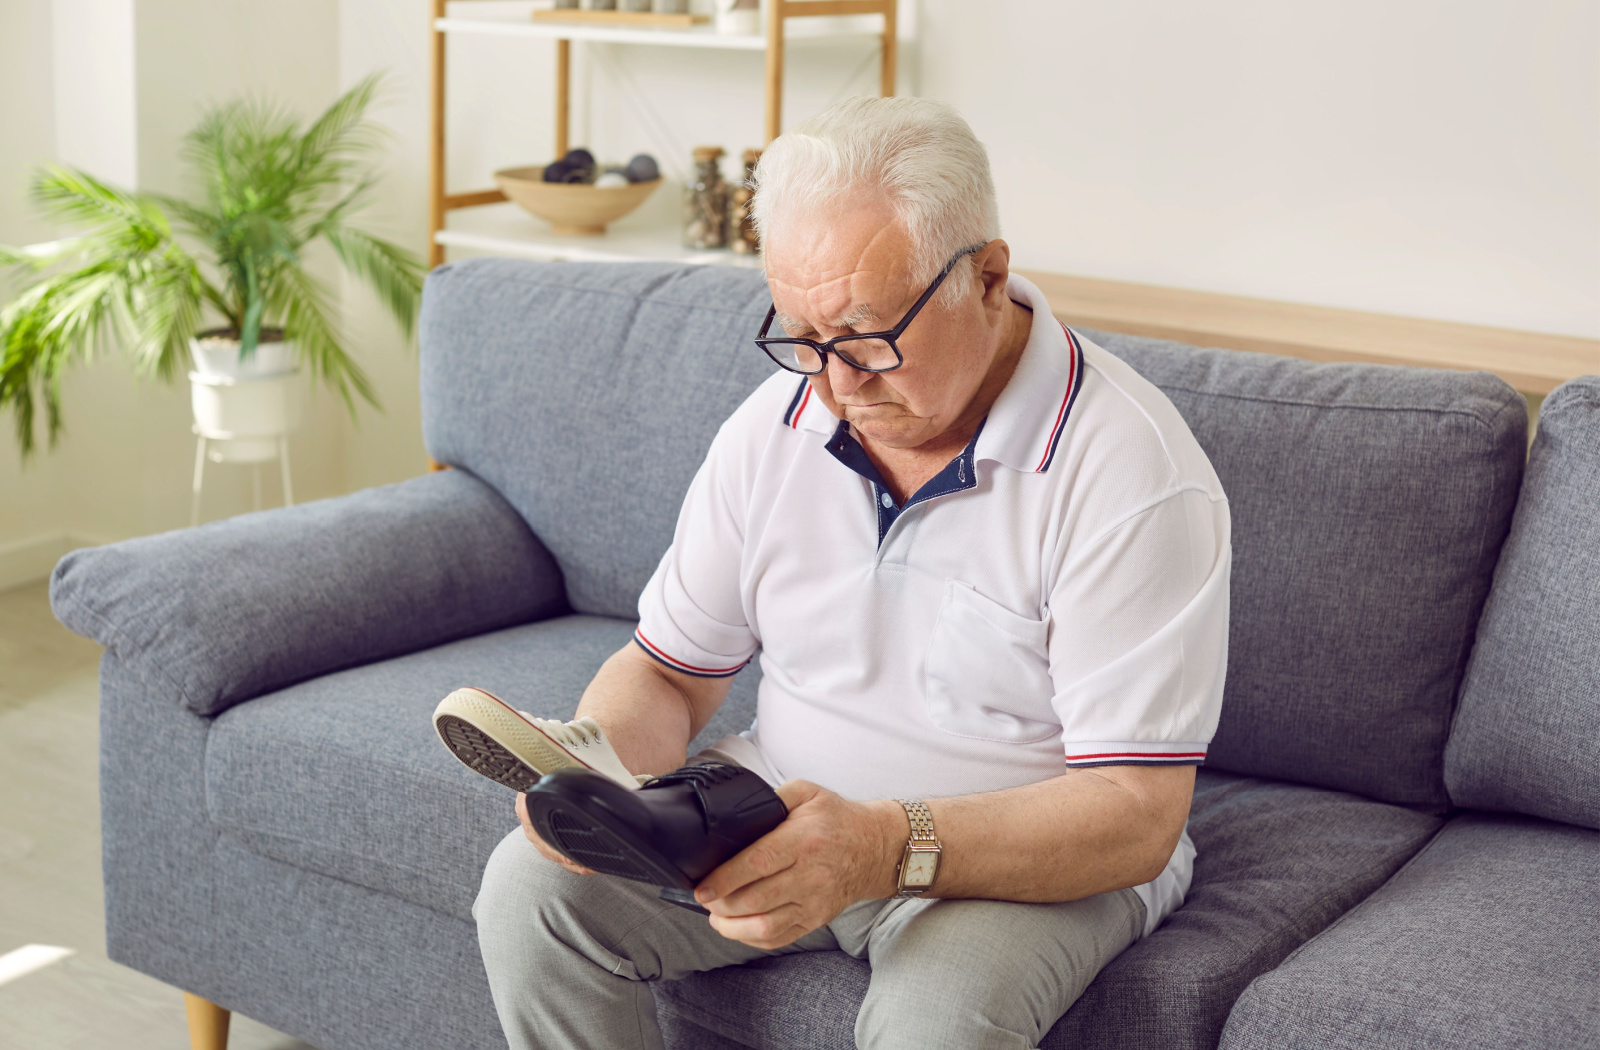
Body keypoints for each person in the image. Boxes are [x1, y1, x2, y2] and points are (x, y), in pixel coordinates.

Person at [469, 95, 1231, 1050]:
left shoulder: (1131, 470)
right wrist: (612, 778)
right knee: (530, 896)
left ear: (988, 277)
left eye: (870, 336)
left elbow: (1132, 818)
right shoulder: (778, 421)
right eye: (802, 335)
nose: (832, 384)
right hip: (779, 809)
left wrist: (874, 849)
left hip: (1020, 861)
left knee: (933, 1026)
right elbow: (667, 671)